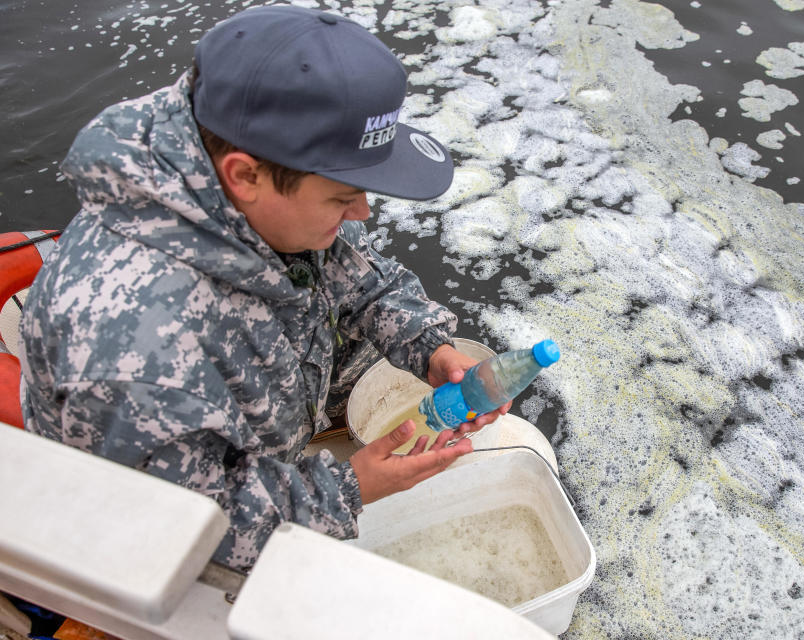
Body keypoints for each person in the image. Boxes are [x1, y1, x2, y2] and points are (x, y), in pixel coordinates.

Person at [18, 5, 507, 571]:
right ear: (245, 176)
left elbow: (359, 279)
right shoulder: (131, 346)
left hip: (263, 398)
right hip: (163, 512)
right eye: (342, 196)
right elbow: (168, 529)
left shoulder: (238, 169)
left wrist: (432, 348)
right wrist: (350, 488)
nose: (364, 212)